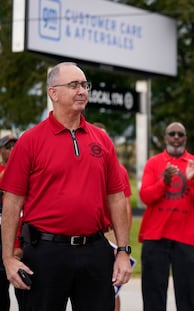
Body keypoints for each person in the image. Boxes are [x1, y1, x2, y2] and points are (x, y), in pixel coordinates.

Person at [0, 62, 132, 311]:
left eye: (84, 85)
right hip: (45, 253)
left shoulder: (101, 139)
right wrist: (8, 257)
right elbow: (12, 201)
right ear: (53, 92)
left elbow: (116, 196)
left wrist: (123, 251)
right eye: (73, 85)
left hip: (94, 251)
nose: (81, 90)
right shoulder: (30, 141)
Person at [138, 122, 194, 311]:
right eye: (172, 134)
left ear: (185, 139)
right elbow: (146, 197)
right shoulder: (154, 163)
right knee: (153, 297)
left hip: (186, 238)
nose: (176, 137)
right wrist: (164, 182)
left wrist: (191, 181)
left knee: (190, 297)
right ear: (165, 138)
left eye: (180, 134)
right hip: (155, 237)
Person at [93, 122, 133, 311]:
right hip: (91, 230)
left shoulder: (120, 169)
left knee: (112, 288)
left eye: (105, 136)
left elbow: (124, 206)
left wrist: (122, 242)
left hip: (109, 233)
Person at [0, 134, 23, 311]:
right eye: (8, 147)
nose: (13, 149)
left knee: (26, 298)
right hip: (3, 243)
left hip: (25, 243)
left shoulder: (28, 171)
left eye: (16, 146)